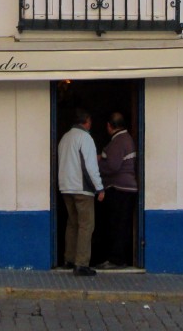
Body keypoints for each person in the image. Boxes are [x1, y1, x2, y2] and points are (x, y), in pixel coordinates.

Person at [57, 108, 104, 276]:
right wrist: (99, 187)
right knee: (86, 225)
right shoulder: (85, 138)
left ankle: (68, 259)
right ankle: (81, 263)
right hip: (82, 189)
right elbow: (90, 166)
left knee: (72, 224)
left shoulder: (65, 138)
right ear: (86, 121)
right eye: (90, 121)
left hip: (66, 187)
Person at [96, 111, 138, 269]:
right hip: (126, 189)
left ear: (109, 126)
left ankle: (116, 259)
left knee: (117, 225)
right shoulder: (126, 139)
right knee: (122, 225)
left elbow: (113, 166)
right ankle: (119, 258)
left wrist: (97, 164)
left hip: (119, 190)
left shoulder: (118, 141)